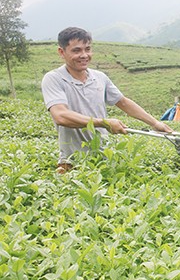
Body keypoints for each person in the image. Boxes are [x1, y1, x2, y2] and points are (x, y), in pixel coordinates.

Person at [41, 27, 172, 172]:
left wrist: (155, 123)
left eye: (88, 49)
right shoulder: (54, 79)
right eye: (76, 51)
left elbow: (123, 102)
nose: (84, 55)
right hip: (72, 162)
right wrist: (104, 123)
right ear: (62, 52)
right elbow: (61, 116)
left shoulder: (99, 77)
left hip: (104, 159)